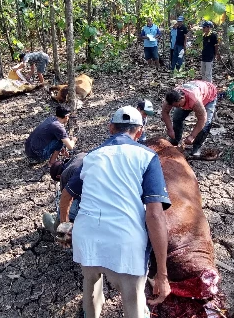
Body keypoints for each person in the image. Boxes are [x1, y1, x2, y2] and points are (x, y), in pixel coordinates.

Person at [59, 106, 171, 317]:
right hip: (125, 244)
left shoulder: (91, 156)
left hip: (86, 237)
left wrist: (65, 226)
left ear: (111, 128)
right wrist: (162, 274)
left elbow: (66, 196)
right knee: (133, 302)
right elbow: (155, 214)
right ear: (139, 132)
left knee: (90, 286)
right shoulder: (147, 157)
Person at [161, 81, 218, 156]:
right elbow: (165, 112)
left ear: (182, 98)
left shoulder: (194, 100)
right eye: (174, 106)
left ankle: (197, 147)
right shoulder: (170, 99)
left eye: (178, 105)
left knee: (205, 125)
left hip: (208, 96)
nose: (178, 107)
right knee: (177, 118)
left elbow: (202, 119)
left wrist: (192, 136)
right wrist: (170, 129)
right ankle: (175, 140)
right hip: (193, 94)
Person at [43, 152, 87, 233]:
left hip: (88, 201)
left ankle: (56, 228)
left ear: (58, 176)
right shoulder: (79, 155)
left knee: (63, 210)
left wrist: (62, 219)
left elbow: (65, 199)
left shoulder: (64, 175)